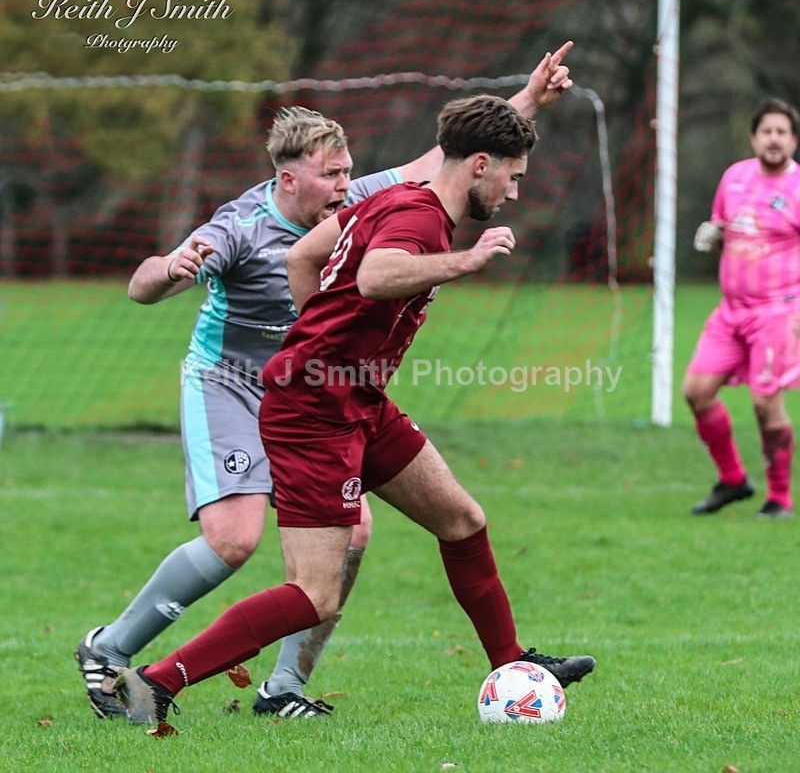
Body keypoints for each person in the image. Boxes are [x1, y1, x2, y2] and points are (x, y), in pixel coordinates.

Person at [77, 45, 576, 720]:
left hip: (349, 394)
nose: (514, 193)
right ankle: (153, 681)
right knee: (309, 590)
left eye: (347, 171)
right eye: (512, 178)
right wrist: (466, 262)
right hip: (305, 408)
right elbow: (375, 275)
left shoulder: (391, 195)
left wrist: (326, 336)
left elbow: (309, 253)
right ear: (288, 177)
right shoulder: (405, 217)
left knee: (462, 522)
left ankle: (512, 666)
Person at [684, 97, 800, 519]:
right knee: (696, 392)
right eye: (766, 131)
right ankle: (733, 480)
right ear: (753, 137)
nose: (774, 139)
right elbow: (726, 227)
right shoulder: (734, 177)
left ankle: (780, 498)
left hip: (778, 312)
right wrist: (714, 235)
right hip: (730, 311)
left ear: (794, 140)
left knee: (766, 407)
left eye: (782, 132)